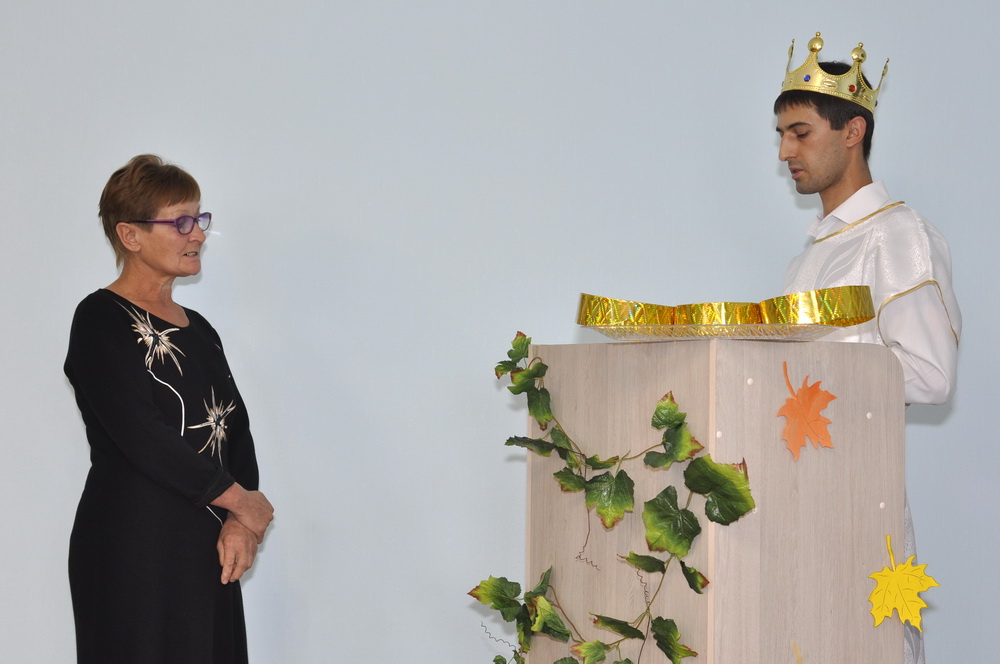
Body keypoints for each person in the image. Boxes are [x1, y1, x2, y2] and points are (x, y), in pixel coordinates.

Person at [774, 34, 961, 664]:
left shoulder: (897, 236)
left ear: (853, 131)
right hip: (799, 501)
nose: (785, 152)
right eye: (782, 136)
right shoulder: (808, 260)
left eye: (800, 133)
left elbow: (932, 375)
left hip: (860, 501)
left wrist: (822, 370)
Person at [64, 154, 274, 663]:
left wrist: (240, 521)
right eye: (180, 222)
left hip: (208, 546)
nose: (197, 234)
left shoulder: (200, 329)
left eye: (199, 219)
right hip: (134, 546)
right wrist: (241, 501)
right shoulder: (100, 318)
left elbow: (235, 431)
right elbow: (142, 433)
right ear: (130, 235)